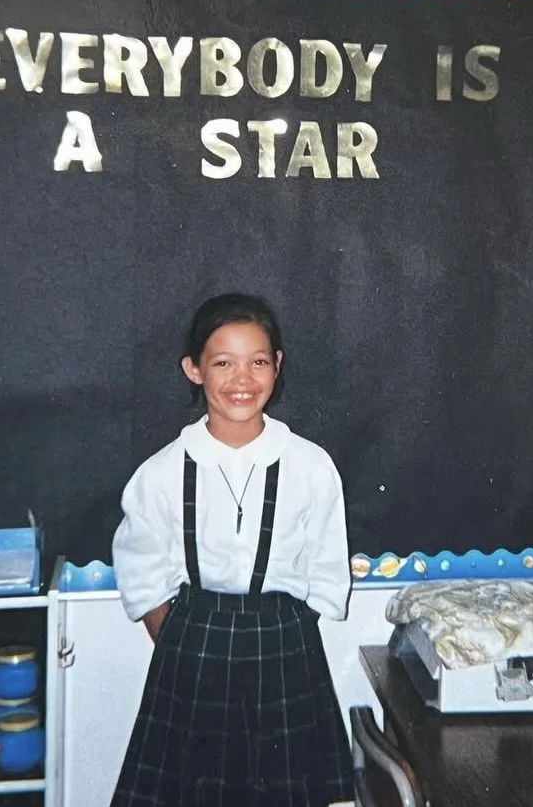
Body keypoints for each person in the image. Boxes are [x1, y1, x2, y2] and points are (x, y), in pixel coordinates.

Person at [110, 293, 354, 807]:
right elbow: (142, 575)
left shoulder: (310, 467)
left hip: (285, 648)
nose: (242, 379)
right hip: (193, 648)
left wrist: (283, 638)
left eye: (257, 361)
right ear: (194, 370)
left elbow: (328, 570)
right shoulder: (160, 473)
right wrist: (188, 643)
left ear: (277, 366)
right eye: (223, 362)